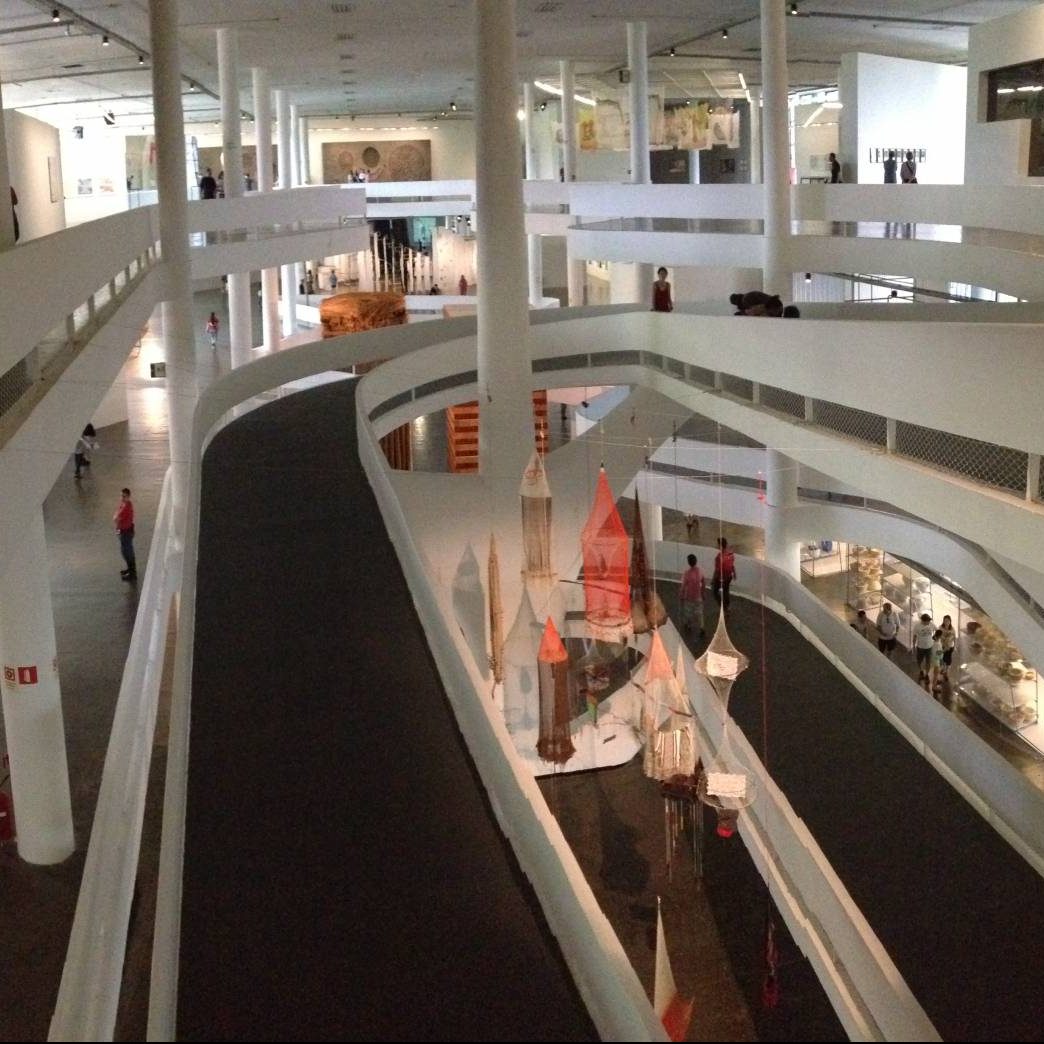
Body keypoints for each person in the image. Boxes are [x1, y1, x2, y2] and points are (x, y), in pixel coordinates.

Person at [679, 553, 705, 637]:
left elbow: (683, 586)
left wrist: (681, 595)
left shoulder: (687, 573)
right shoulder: (700, 571)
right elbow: (703, 581)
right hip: (698, 596)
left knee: (688, 611)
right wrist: (703, 592)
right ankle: (701, 627)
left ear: (688, 562)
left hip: (689, 597)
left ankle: (688, 624)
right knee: (699, 612)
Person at [113, 487, 136, 582]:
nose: (122, 498)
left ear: (128, 496)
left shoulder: (126, 507)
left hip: (126, 531)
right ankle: (130, 570)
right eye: (122, 496)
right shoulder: (124, 504)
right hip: (125, 531)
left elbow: (116, 517)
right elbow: (116, 515)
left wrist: (116, 518)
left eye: (124, 496)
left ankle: (132, 573)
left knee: (127, 552)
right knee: (126, 551)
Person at [712, 537, 737, 614]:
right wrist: (734, 573)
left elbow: (717, 570)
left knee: (714, 591)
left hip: (720, 578)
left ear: (720, 545)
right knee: (726, 591)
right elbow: (732, 565)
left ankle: (723, 607)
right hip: (729, 577)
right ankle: (727, 607)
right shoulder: (731, 554)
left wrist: (713, 579)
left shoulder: (719, 557)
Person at [913, 612, 936, 686]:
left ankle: (926, 674)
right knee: (919, 660)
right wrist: (913, 646)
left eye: (929, 621)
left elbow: (937, 630)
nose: (928, 622)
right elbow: (915, 636)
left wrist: (935, 638)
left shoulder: (931, 624)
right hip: (920, 647)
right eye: (927, 621)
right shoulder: (917, 626)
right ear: (923, 621)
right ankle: (921, 671)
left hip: (929, 647)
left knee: (928, 662)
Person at [929, 630, 946, 694]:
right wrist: (944, 650)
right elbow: (937, 653)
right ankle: (934, 687)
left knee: (936, 672)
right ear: (940, 636)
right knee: (936, 673)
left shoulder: (936, 641)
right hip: (936, 660)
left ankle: (935, 683)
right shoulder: (936, 643)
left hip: (935, 659)